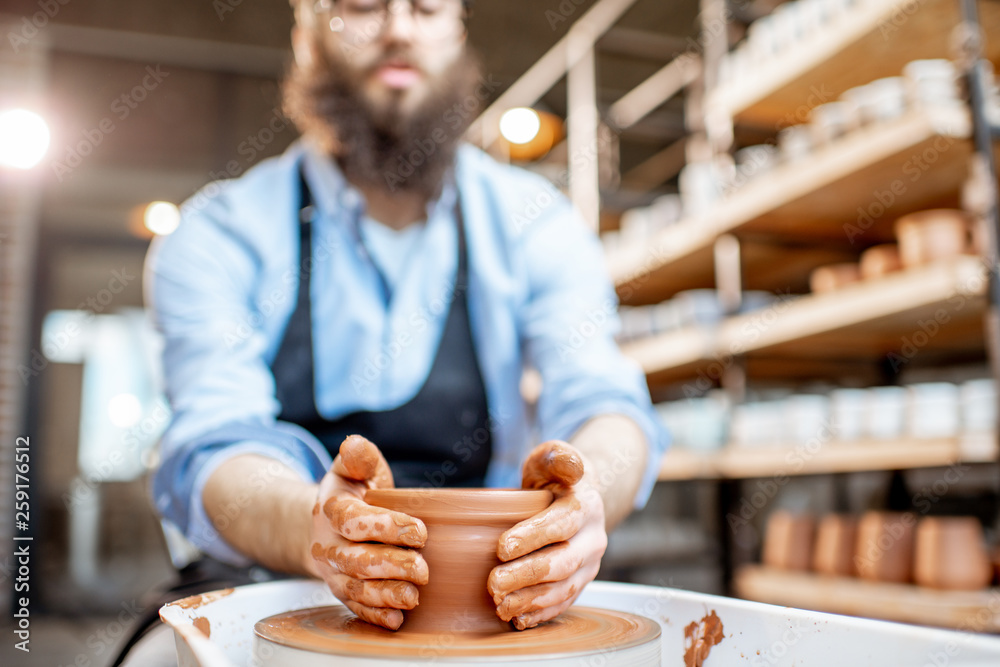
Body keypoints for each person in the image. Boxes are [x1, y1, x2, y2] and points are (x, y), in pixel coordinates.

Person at [146, 0, 667, 634]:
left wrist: (587, 503)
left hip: (486, 597)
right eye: (362, 5)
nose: (398, 27)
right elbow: (212, 447)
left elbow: (605, 402)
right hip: (271, 590)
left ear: (457, 29)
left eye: (426, 7)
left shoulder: (536, 222)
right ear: (307, 33)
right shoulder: (218, 235)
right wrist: (321, 531)